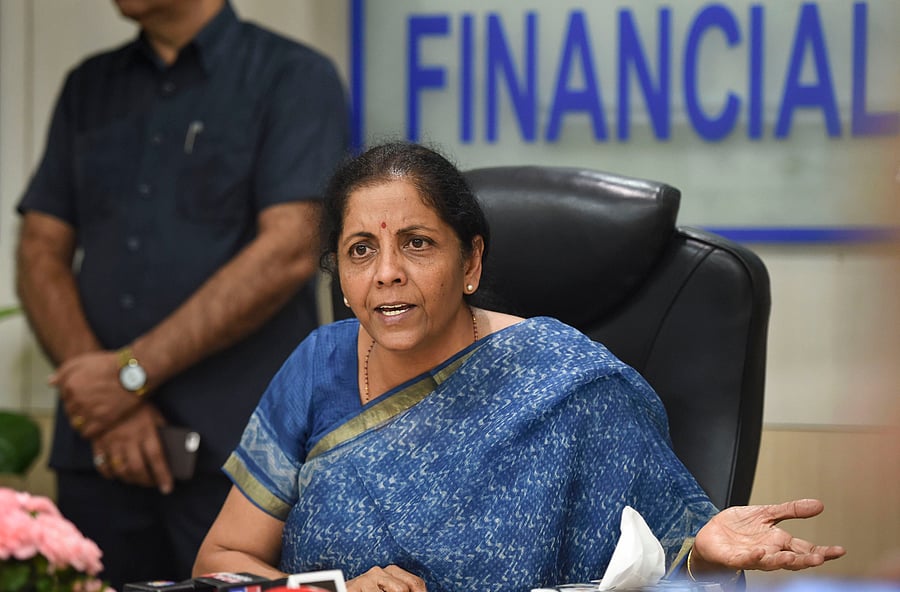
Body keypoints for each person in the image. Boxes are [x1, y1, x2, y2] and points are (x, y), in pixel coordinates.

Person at [193, 142, 844, 592]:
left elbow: (669, 567)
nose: (386, 272)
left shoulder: (574, 386)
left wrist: (704, 556)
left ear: (471, 263)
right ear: (340, 276)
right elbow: (221, 562)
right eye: (361, 250)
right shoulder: (317, 366)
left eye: (417, 244)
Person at [14, 0, 348, 588]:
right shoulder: (89, 86)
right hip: (100, 451)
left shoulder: (292, 76)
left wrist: (129, 376)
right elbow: (40, 248)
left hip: (239, 464)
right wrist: (107, 398)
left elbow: (290, 250)